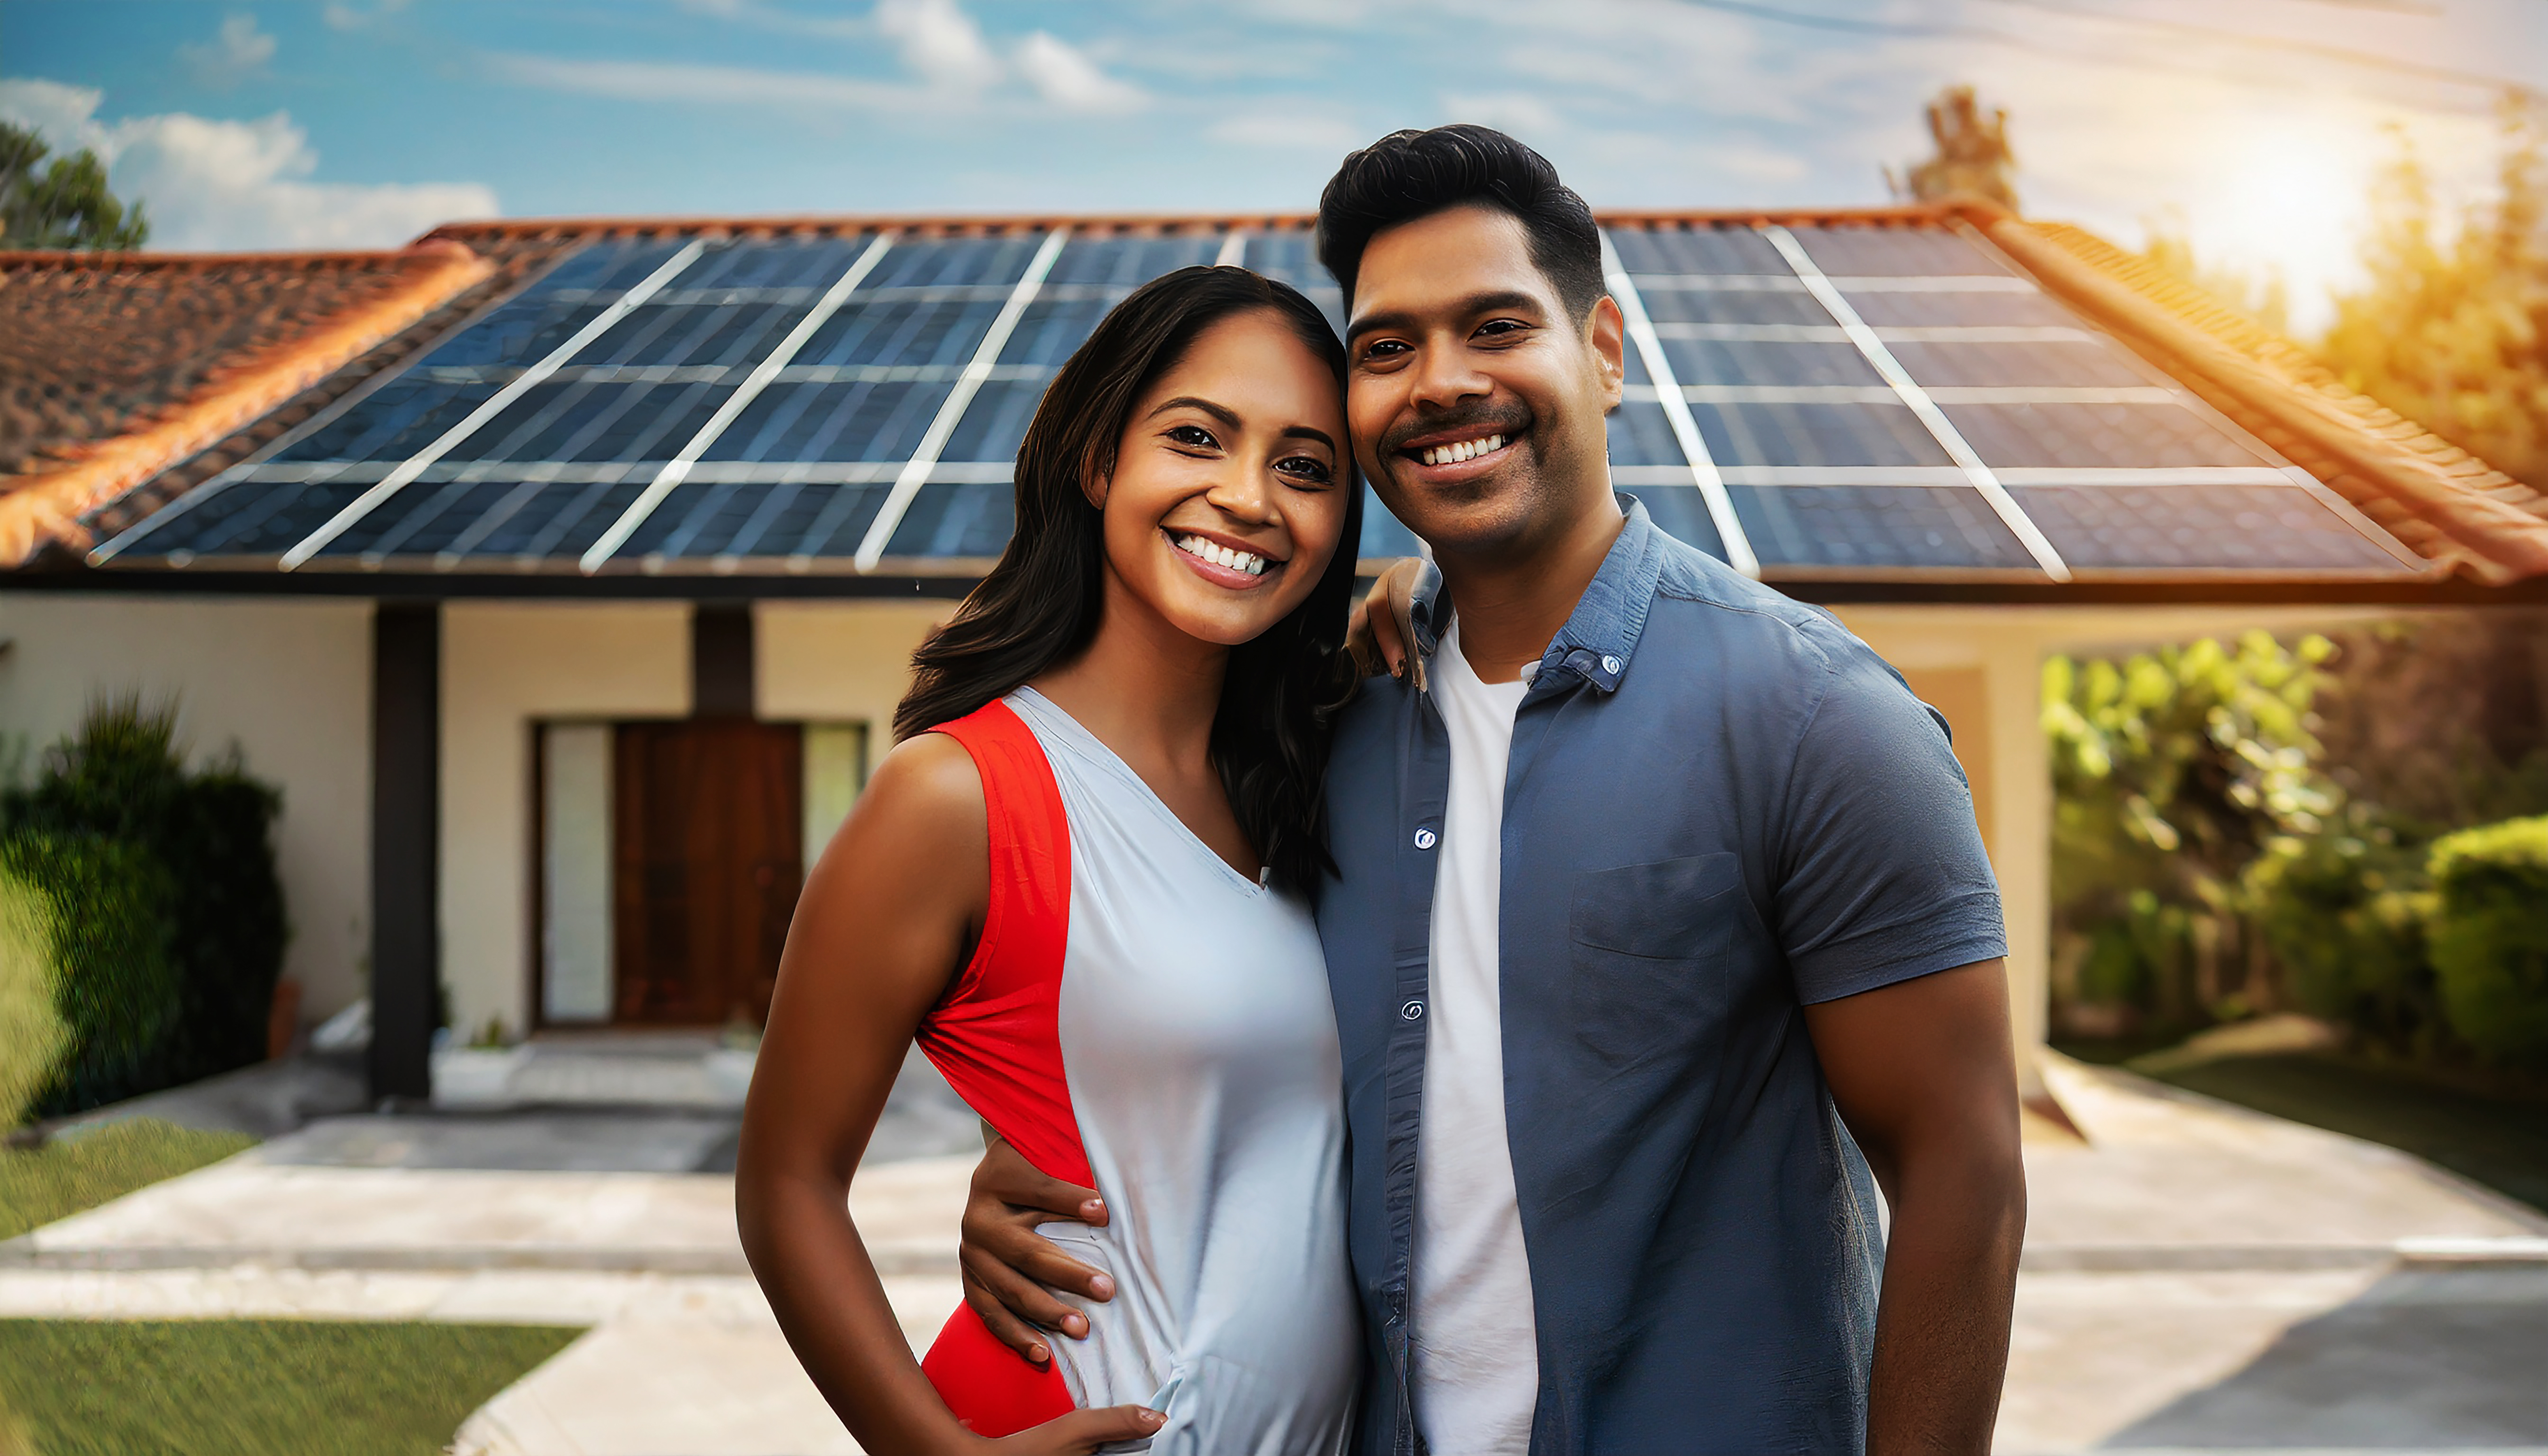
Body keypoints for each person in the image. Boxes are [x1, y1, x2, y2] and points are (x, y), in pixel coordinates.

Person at [958, 126, 2030, 1454]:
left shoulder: (1815, 716)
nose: (1440, 384)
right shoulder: (1323, 725)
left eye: (1495, 327)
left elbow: (1963, 1179)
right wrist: (1043, 1173)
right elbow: (1205, 1036)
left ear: (1605, 353)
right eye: (1388, 348)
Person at [734, 265, 1369, 1455]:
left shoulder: (1319, 779)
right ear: (1097, 462)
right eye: (1197, 438)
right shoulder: (954, 795)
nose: (1249, 497)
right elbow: (786, 1185)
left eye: (1305, 466)